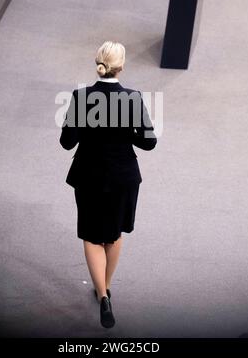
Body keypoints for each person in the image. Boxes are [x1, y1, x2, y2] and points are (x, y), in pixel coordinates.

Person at [59, 41, 157, 328]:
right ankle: (105, 290)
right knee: (113, 234)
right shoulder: (133, 98)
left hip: (88, 176)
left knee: (91, 234)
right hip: (123, 176)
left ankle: (102, 293)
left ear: (98, 64)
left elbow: (67, 142)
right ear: (122, 66)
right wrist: (127, 134)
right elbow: (149, 142)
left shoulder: (81, 97)